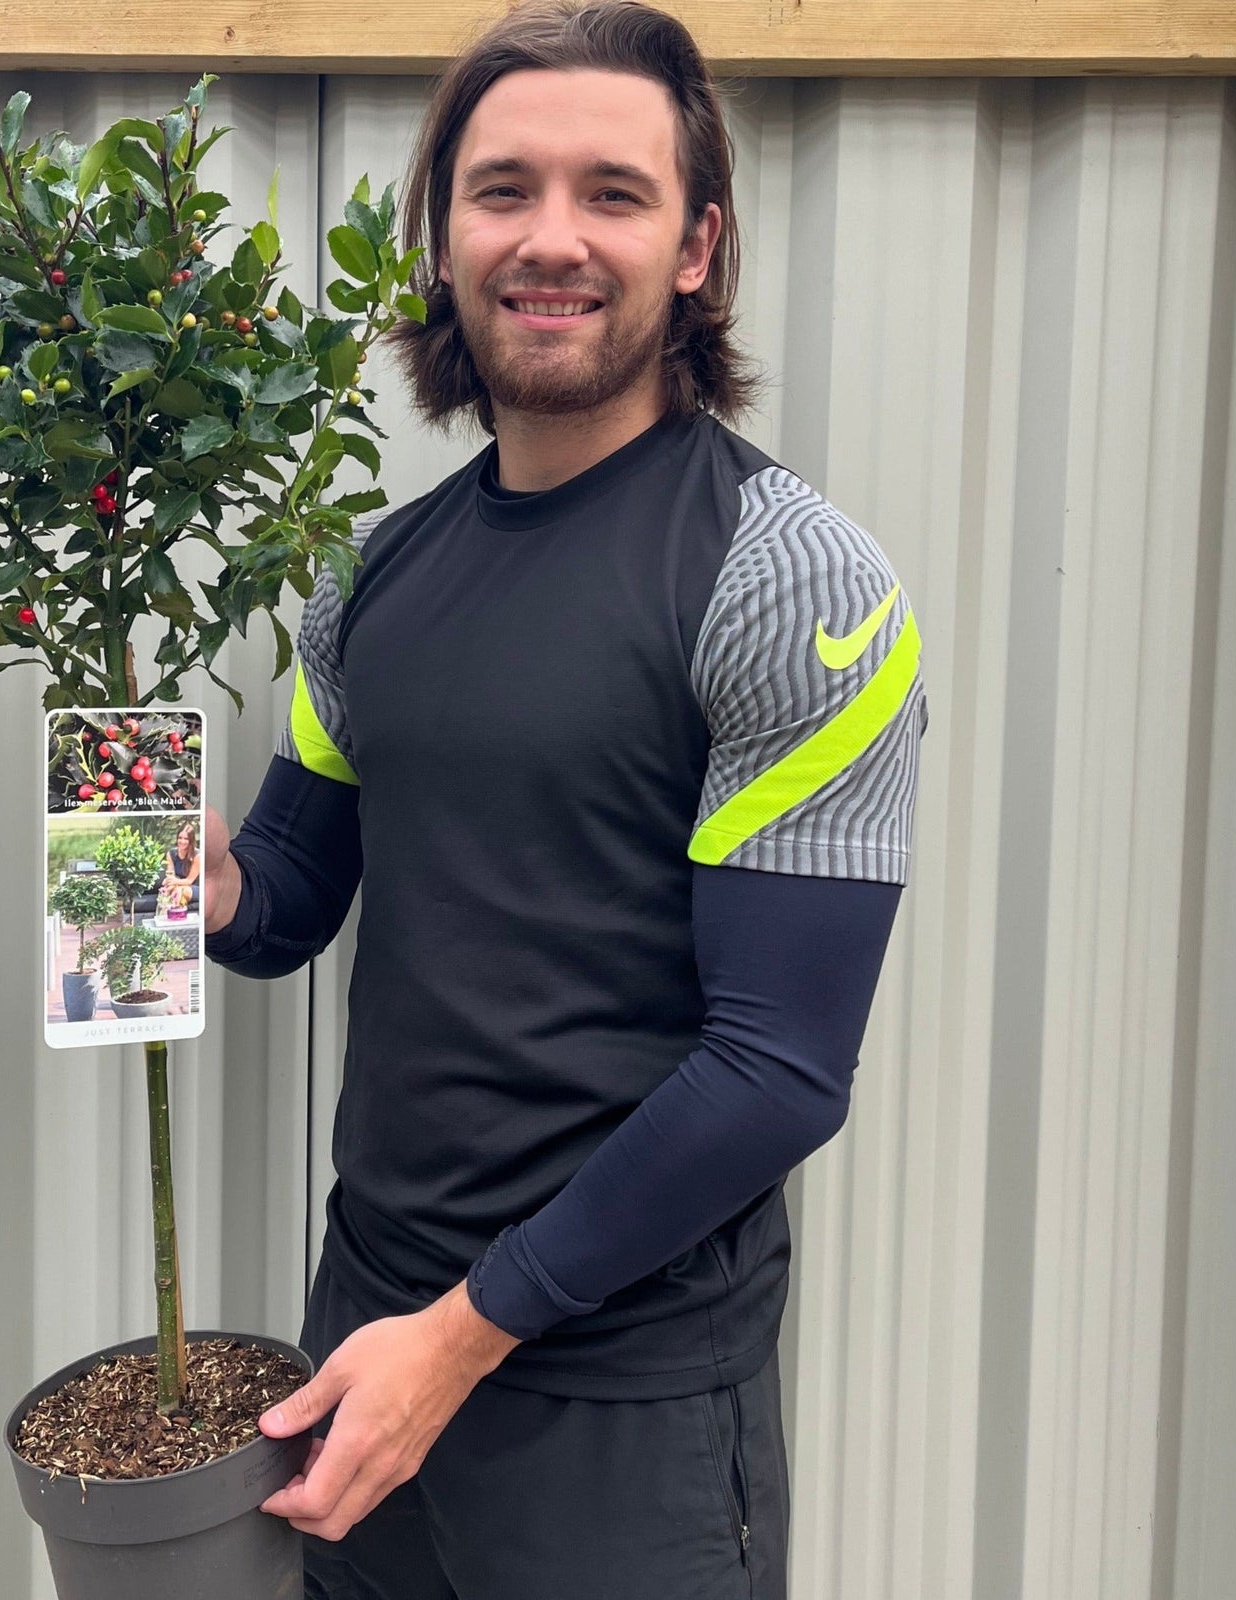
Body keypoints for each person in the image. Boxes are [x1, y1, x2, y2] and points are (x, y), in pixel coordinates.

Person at [204, 3, 928, 1594]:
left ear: (696, 247)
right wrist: (186, 885)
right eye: (502, 189)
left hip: (618, 1405)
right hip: (362, 1355)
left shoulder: (787, 578)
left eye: (613, 192)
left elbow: (777, 1073)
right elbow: (287, 904)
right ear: (443, 235)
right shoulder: (372, 580)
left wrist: (460, 1340)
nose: (552, 239)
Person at [159, 822, 201, 912]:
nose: (182, 841)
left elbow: (189, 880)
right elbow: (171, 875)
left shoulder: (197, 856)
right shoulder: (171, 853)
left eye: (186, 839)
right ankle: (166, 915)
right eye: (180, 838)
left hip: (195, 887)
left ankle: (175, 914)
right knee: (167, 889)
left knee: (178, 890)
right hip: (178, 885)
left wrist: (173, 882)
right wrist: (168, 881)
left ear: (191, 840)